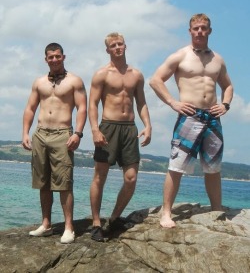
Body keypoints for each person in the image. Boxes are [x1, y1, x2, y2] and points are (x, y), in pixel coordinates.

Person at [149, 13, 233, 228]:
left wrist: (225, 104)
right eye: (196, 28)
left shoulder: (218, 59)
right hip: (189, 116)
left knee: (213, 168)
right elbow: (155, 80)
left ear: (209, 31)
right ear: (190, 31)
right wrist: (173, 103)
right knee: (176, 166)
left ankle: (216, 209)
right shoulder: (180, 56)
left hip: (212, 118)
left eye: (203, 28)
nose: (199, 31)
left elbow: (228, 86)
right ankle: (166, 212)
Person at [88, 32, 152, 241]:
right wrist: (95, 130)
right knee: (100, 176)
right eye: (113, 45)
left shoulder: (136, 75)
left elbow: (141, 102)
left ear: (126, 46)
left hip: (129, 129)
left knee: (131, 178)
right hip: (108, 127)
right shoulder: (101, 74)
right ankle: (96, 222)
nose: (117, 47)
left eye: (120, 44)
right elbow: (92, 104)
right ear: (107, 49)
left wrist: (148, 125)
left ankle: (114, 218)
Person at [22, 43, 87, 243]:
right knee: (43, 183)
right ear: (46, 59)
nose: (54, 60)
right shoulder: (39, 82)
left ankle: (69, 227)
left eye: (57, 56)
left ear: (63, 57)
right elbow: (30, 108)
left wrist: (77, 133)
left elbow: (82, 108)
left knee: (64, 183)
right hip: (40, 134)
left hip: (62, 135)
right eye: (50, 57)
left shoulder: (74, 81)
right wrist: (25, 132)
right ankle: (46, 224)